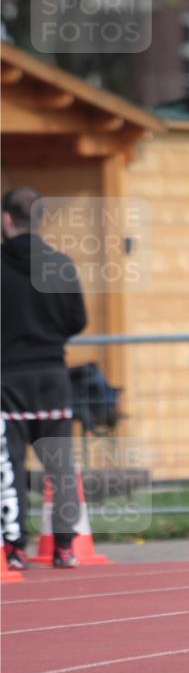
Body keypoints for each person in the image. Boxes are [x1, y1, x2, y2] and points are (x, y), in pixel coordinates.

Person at [1, 187, 87, 569]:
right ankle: (65, 548)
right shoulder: (60, 264)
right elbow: (77, 320)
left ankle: (15, 548)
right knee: (61, 466)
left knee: (10, 464)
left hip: (9, 379)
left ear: (6, 219)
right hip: (53, 375)